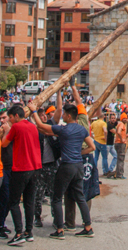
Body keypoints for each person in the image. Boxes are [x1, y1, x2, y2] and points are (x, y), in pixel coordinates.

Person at [28, 96, 96, 240]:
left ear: (69, 116)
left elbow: (40, 126)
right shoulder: (82, 130)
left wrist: (34, 111)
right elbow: (92, 147)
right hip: (79, 166)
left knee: (57, 198)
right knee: (80, 197)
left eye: (64, 114)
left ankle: (59, 229)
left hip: (66, 166)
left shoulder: (64, 129)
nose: (62, 116)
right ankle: (88, 227)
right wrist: (79, 153)